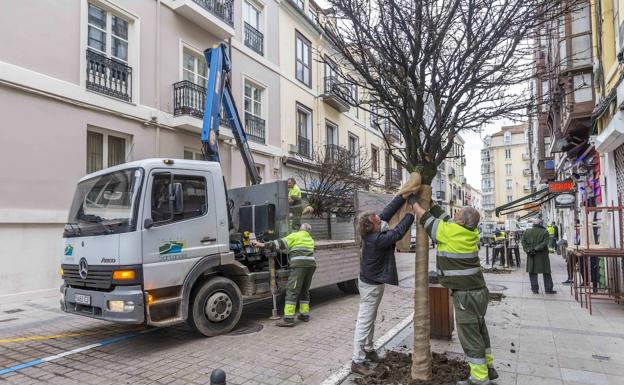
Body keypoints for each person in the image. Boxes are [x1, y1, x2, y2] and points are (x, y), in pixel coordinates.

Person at [413, 201, 497, 385]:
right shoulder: (469, 232)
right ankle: (488, 367)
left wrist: (413, 201)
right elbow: (445, 218)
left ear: (460, 221)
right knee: (480, 330)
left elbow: (424, 218)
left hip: (465, 296)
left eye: (457, 214)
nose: (454, 215)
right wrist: (433, 205)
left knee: (470, 336)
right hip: (479, 292)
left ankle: (479, 378)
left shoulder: (449, 232)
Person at [351, 194, 416, 376]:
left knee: (370, 318)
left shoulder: (372, 230)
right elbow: (398, 233)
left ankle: (369, 349)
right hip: (371, 286)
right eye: (377, 220)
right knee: (364, 321)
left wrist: (402, 196)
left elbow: (387, 212)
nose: (380, 218)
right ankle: (357, 361)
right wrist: (412, 213)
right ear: (372, 226)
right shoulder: (377, 239)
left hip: (371, 282)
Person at [251, 223, 316, 327]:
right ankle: (305, 315)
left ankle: (289, 319)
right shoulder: (311, 239)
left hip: (299, 266)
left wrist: (262, 245)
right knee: (304, 290)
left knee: (292, 290)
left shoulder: (296, 235)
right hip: (311, 266)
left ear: (300, 229)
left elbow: (279, 243)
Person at [522, 219, 556, 294]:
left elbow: (523, 242)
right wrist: (536, 249)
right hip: (542, 255)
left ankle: (535, 289)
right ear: (540, 223)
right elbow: (545, 243)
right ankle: (548, 289)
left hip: (531, 255)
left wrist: (528, 250)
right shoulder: (544, 232)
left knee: (532, 272)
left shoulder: (527, 232)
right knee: (546, 272)